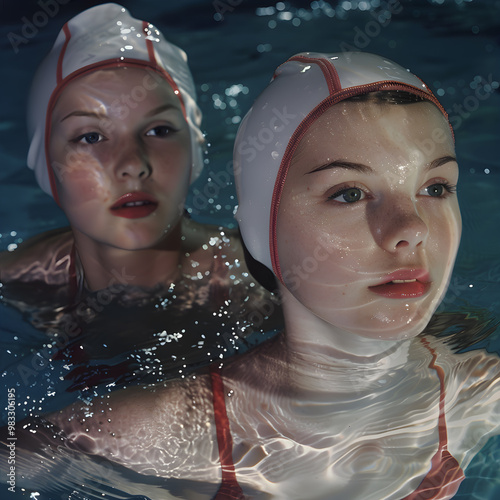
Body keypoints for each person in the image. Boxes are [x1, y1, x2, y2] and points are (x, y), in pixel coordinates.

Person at [3, 52, 499, 500]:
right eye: (348, 193)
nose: (410, 229)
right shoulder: (150, 435)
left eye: (435, 187)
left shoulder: (476, 393)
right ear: (263, 230)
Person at [0, 4, 282, 395]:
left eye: (159, 129)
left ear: (194, 152)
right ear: (46, 166)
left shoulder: (260, 286)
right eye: (91, 137)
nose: (133, 164)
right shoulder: (18, 282)